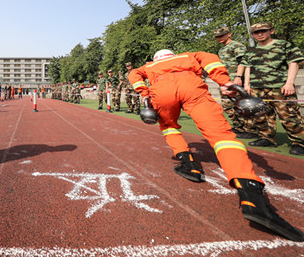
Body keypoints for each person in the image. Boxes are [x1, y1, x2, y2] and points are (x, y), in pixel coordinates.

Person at [128, 49, 304, 241]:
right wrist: (224, 81)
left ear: (156, 59)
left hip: (161, 90)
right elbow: (210, 59)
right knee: (222, 136)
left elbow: (134, 74)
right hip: (192, 87)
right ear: (172, 55)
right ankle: (250, 194)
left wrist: (144, 93)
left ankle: (189, 165)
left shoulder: (150, 66)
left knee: (169, 126)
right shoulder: (188, 55)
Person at [238, 22, 304, 155]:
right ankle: (267, 138)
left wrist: (289, 83)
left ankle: (299, 142)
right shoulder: (251, 50)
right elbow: (248, 67)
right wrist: (247, 85)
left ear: (271, 31)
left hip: (279, 88)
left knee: (289, 115)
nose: (260, 34)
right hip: (257, 88)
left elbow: (293, 63)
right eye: (256, 32)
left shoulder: (284, 45)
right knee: (261, 115)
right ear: (252, 35)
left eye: (263, 31)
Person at [213, 26, 256, 139]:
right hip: (226, 82)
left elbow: (243, 62)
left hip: (236, 81)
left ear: (229, 34)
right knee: (228, 105)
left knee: (242, 105)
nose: (219, 38)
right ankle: (238, 126)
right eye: (217, 37)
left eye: (221, 36)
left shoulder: (237, 46)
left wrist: (239, 78)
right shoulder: (222, 49)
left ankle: (250, 130)